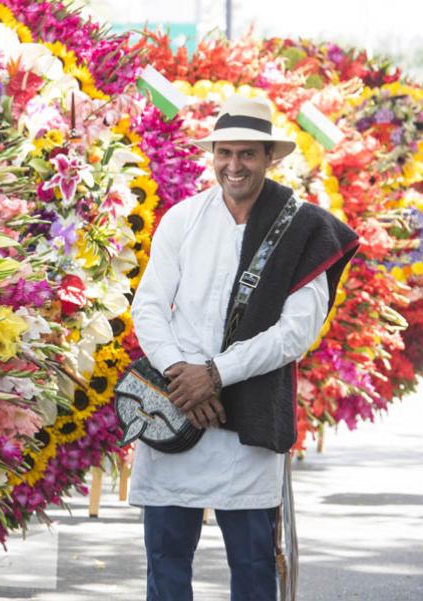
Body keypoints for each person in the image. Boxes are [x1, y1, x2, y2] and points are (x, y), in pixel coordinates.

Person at [129, 95, 359, 601]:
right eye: (225, 153)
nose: (234, 165)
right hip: (177, 406)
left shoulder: (305, 230)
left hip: (248, 416)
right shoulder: (182, 219)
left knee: (254, 565)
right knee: (165, 561)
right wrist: (181, 375)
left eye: (248, 154)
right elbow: (147, 307)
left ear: (269, 158)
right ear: (212, 155)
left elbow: (293, 334)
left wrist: (214, 374)